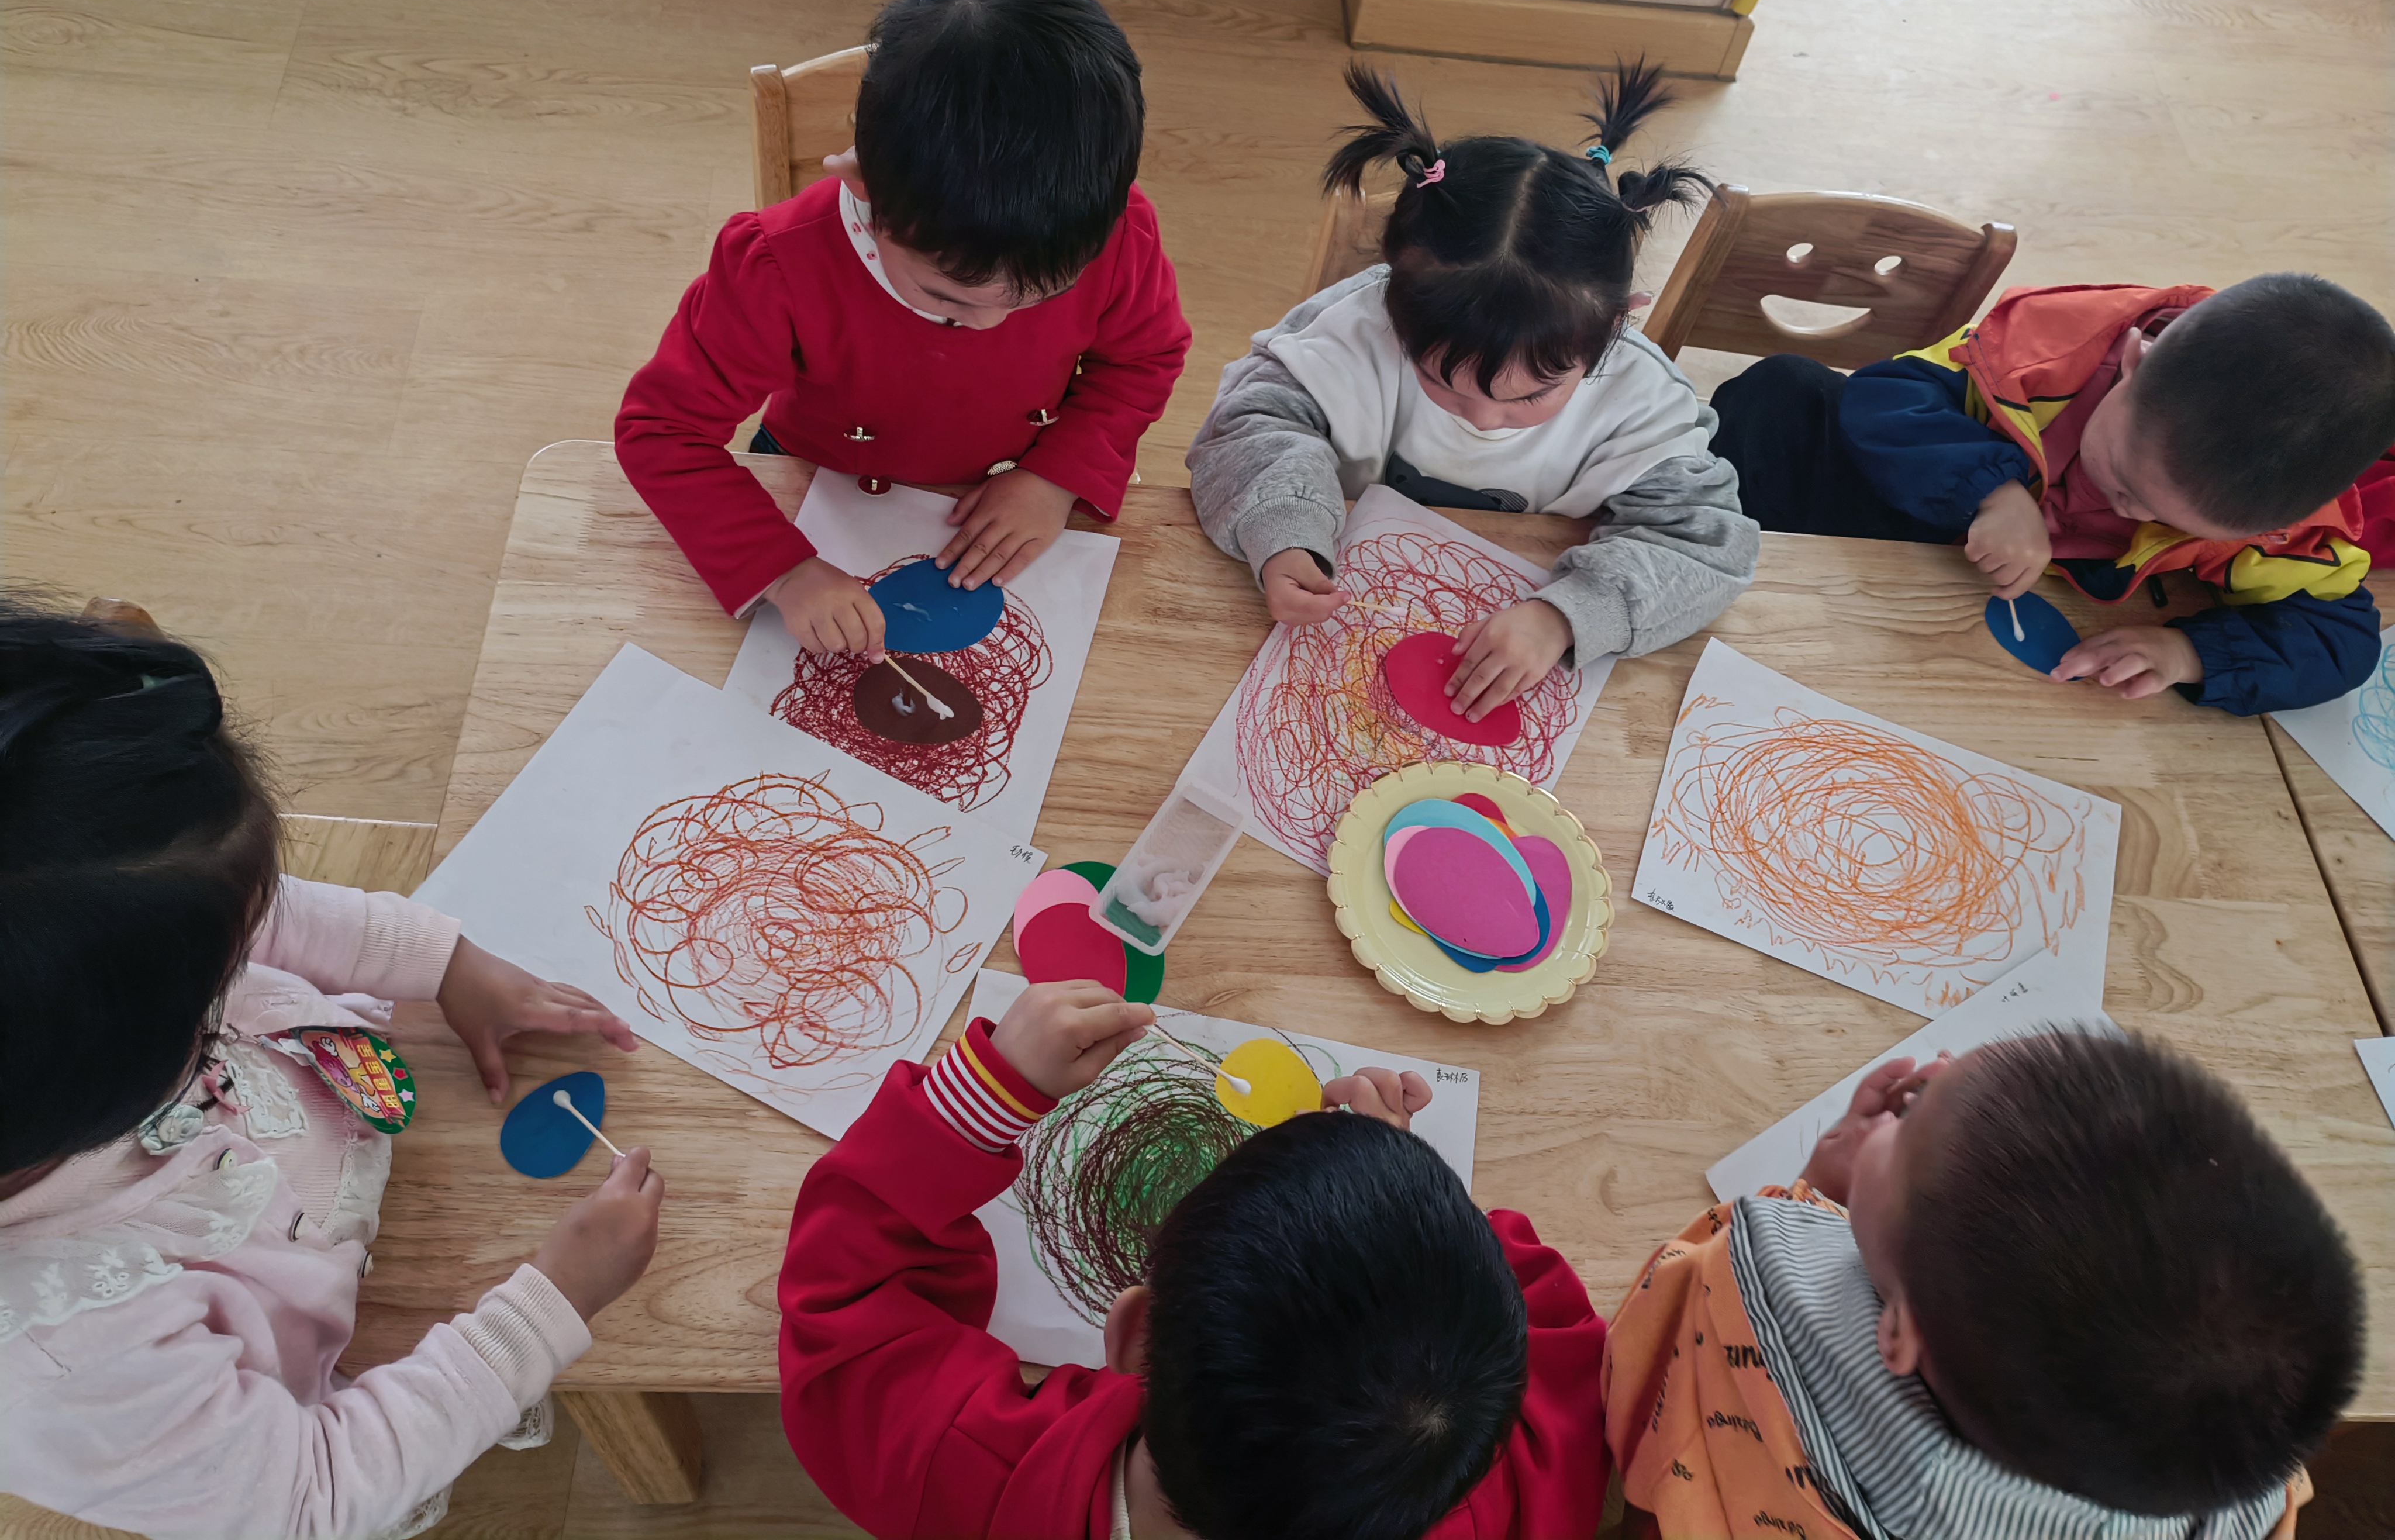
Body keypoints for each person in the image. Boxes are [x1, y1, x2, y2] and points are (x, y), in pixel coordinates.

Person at [0, 596, 665, 1540]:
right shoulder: (59, 1366)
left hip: (333, 1127)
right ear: (95, 1070)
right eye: (217, 976)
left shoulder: (87, 920)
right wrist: (547, 1307)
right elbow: (313, 1497)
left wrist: (443, 962)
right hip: (319, 1366)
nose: (245, 947)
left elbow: (227, 908)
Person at [778, 981, 1611, 1540]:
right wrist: (1388, 1203)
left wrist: (979, 1100)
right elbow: (1564, 1344)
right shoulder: (1511, 1494)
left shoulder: (965, 1476)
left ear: (1135, 1333)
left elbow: (847, 1311)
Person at [617, 0, 1192, 656]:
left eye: (1043, 296)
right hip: (818, 473)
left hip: (1014, 483)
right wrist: (783, 570)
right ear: (862, 185)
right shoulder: (775, 265)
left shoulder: (1119, 232)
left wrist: (1055, 477)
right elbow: (663, 431)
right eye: (947, 297)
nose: (989, 326)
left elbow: (1143, 359)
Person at [1601, 1030, 2360, 1539]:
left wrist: (1814, 1194)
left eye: (1910, 1123)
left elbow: (1649, 1344)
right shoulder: (2235, 1483)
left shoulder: (1762, 1295)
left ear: (1898, 1333)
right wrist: (1895, 1182)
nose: (1934, 1070)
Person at [1186, 62, 1756, 723]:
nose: (1485, 420)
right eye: (1439, 383)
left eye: (1532, 396)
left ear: (1616, 324)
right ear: (1392, 306)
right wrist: (1284, 531)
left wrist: (1567, 616)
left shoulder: (1640, 398)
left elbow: (1705, 545)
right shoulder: (1350, 331)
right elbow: (1248, 428)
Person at [1710, 275, 2395, 714]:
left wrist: (2187, 655)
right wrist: (1992, 488)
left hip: (1980, 627)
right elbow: (1888, 394)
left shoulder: (2282, 521)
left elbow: (2341, 638)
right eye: (2123, 481)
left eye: (2173, 525)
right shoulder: (2042, 350)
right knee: (1783, 391)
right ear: (2133, 362)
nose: (2130, 514)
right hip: (1906, 506)